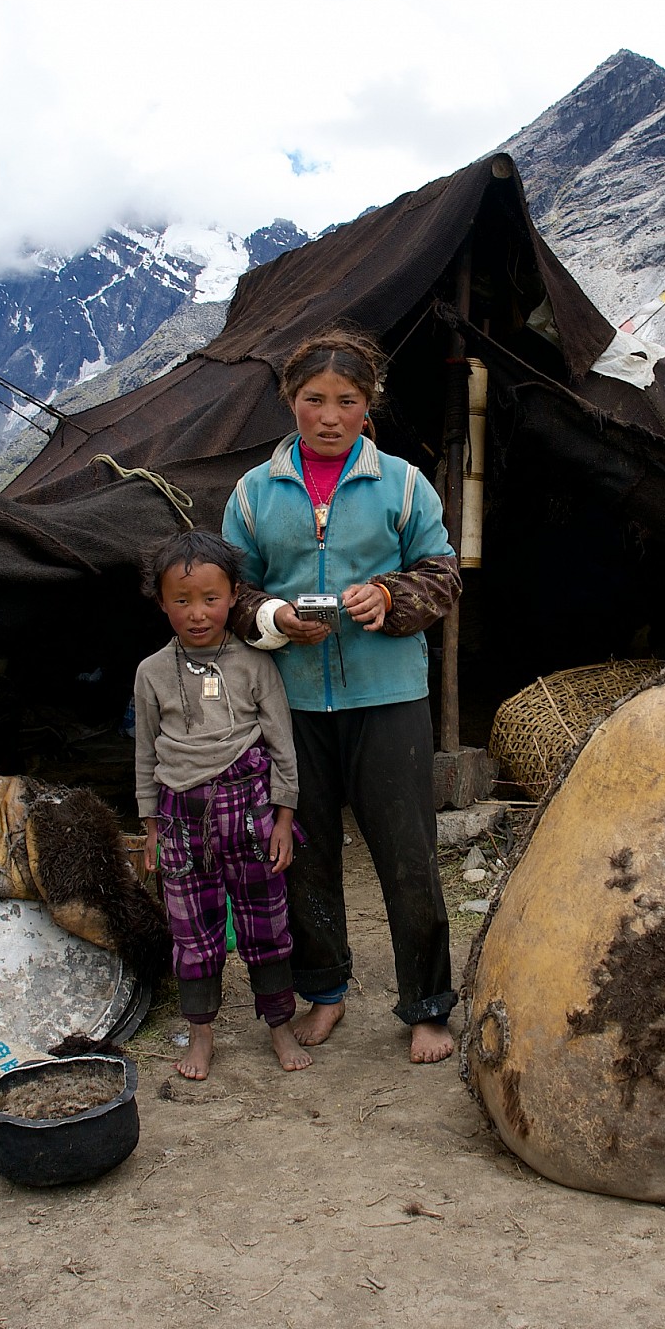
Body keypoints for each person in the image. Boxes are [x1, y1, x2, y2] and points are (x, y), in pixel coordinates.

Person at [222, 325, 463, 1063]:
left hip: (388, 699)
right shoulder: (256, 493)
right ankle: (324, 993)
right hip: (293, 704)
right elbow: (231, 588)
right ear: (291, 401)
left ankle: (425, 1006)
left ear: (370, 407)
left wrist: (389, 598)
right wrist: (273, 618)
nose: (328, 415)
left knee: (408, 855)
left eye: (346, 401)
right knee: (306, 852)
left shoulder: (403, 484)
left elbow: (443, 575)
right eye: (313, 399)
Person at [132, 531, 308, 1081]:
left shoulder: (254, 664)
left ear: (234, 595)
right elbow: (144, 753)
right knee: (192, 929)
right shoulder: (151, 673)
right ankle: (201, 1036)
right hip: (181, 817)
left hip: (250, 812)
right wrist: (151, 828)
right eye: (181, 601)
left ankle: (279, 1026)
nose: (198, 613)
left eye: (211, 598)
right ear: (161, 602)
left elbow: (281, 744)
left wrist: (283, 817)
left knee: (266, 920)